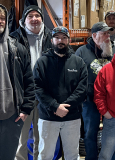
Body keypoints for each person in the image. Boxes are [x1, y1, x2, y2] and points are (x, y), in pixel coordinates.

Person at [33, 26, 87, 160]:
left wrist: (65, 107)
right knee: (45, 154)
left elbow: (82, 89)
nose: (60, 41)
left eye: (64, 38)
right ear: (52, 40)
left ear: (69, 40)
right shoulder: (42, 62)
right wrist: (55, 107)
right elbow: (37, 88)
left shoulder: (78, 62)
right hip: (48, 117)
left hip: (72, 117)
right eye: (57, 38)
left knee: (72, 155)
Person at [10, 5, 52, 160]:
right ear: (23, 20)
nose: (34, 19)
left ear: (42, 19)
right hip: (23, 95)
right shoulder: (14, 38)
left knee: (42, 137)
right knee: (20, 138)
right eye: (30, 16)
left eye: (37, 16)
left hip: (44, 94)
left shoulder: (51, 37)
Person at [75, 22, 115, 160]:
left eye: (108, 33)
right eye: (104, 33)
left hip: (111, 101)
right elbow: (75, 77)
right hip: (89, 101)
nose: (108, 37)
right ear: (94, 35)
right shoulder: (82, 52)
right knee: (90, 133)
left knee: (113, 132)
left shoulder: (111, 51)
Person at [0, 4, 35, 160]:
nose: (0, 21)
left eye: (2, 18)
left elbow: (29, 81)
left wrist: (25, 109)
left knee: (8, 155)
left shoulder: (17, 49)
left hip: (11, 116)